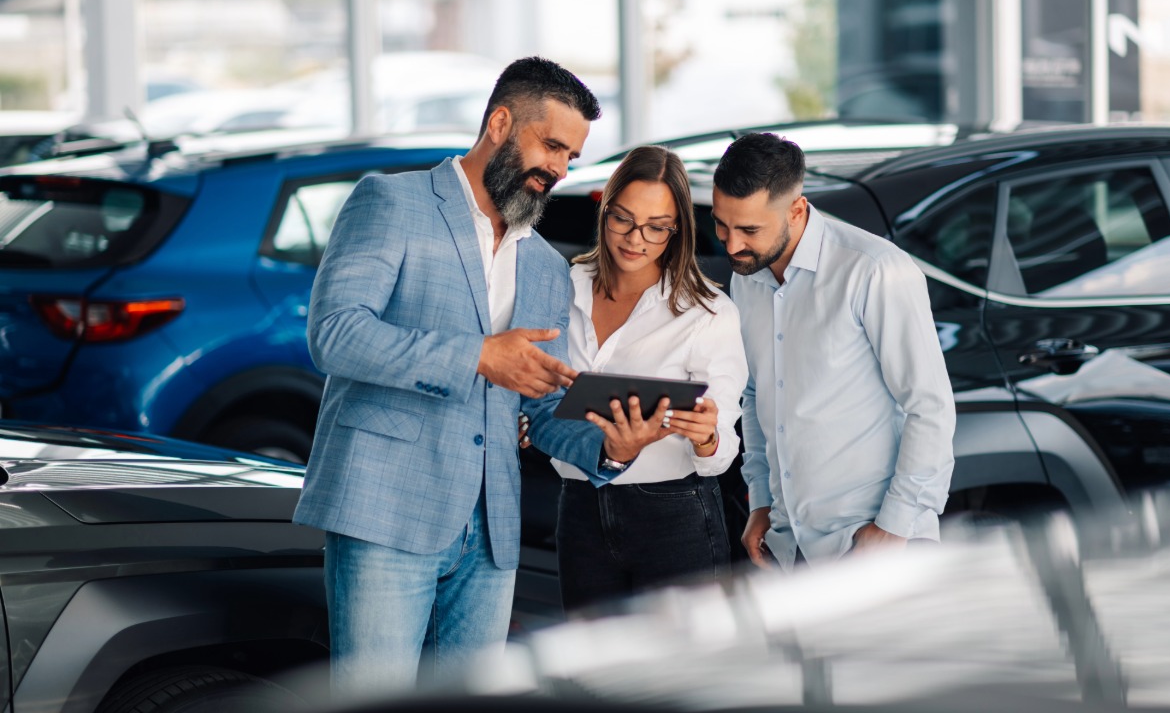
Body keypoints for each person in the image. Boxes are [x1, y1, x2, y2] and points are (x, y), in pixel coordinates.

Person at [293, 56, 670, 696]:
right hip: (387, 511)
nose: (558, 169)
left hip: (491, 533)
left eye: (571, 158)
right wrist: (476, 354)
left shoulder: (548, 269)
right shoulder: (392, 201)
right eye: (551, 145)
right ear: (500, 122)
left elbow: (544, 411)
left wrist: (611, 447)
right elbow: (335, 334)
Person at [709, 132, 955, 569]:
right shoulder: (746, 277)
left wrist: (895, 526)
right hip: (790, 547)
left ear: (797, 209)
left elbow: (930, 407)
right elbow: (757, 396)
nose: (731, 245)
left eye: (749, 230)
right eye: (722, 225)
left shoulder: (875, 270)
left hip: (874, 542)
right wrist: (761, 501)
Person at [521, 145, 748, 610]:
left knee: (681, 674)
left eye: (656, 227)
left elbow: (721, 452)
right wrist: (523, 418)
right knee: (592, 674)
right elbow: (537, 391)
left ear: (676, 229)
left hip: (674, 516)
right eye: (623, 219)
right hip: (579, 507)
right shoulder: (563, 288)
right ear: (604, 207)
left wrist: (707, 437)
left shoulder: (707, 313)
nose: (635, 238)